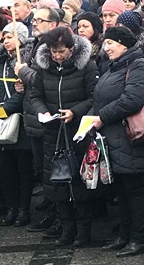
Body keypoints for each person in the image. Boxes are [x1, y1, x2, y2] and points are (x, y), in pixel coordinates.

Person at [91, 25, 144, 257]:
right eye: (105, 43)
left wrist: (101, 117)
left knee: (135, 190)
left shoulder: (137, 65)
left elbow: (133, 99)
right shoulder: (113, 67)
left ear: (124, 44)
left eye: (110, 43)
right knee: (121, 189)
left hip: (132, 138)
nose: (106, 47)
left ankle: (139, 238)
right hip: (115, 138)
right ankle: (125, 235)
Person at [29, 26, 98, 246]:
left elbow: (93, 97)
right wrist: (43, 111)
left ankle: (84, 231)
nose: (57, 56)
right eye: (53, 51)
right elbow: (35, 95)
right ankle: (66, 229)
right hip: (53, 131)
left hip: (78, 132)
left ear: (71, 48)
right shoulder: (44, 69)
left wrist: (74, 112)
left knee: (79, 183)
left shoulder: (86, 67)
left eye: (61, 51)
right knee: (57, 182)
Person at [0, 24, 34, 228]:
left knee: (23, 168)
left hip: (20, 122)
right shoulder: (2, 61)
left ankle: (23, 208)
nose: (6, 41)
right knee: (5, 168)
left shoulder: (26, 62)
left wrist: (5, 109)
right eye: (4, 37)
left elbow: (23, 93)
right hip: (1, 123)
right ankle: (11, 207)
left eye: (10, 36)